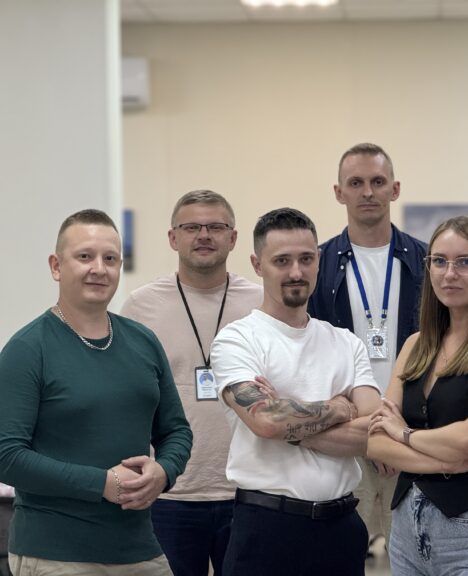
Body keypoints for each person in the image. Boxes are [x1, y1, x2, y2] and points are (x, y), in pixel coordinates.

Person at [0, 209, 192, 576]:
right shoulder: (28, 349)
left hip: (140, 550)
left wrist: (164, 472)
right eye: (85, 256)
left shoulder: (143, 341)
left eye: (110, 259)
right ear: (56, 266)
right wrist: (100, 483)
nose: (99, 269)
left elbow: (176, 431)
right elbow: (6, 455)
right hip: (56, 554)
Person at [210, 207, 381, 576]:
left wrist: (288, 419)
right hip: (267, 529)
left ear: (318, 260)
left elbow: (376, 432)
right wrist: (340, 408)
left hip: (342, 529)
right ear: (257, 265)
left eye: (306, 259)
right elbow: (267, 421)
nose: (296, 272)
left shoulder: (346, 343)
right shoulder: (237, 340)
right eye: (281, 261)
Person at [367, 215, 468, 575]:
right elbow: (376, 443)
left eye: (465, 262)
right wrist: (442, 463)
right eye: (439, 261)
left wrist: (403, 433)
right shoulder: (415, 345)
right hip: (406, 527)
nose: (449, 273)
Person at [121, 190, 263, 576]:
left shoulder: (262, 303)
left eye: (215, 227)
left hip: (248, 491)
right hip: (170, 492)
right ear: (173, 238)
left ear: (233, 238)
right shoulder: (141, 306)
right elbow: (127, 397)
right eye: (191, 227)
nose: (203, 235)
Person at [309, 143, 427, 552]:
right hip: (344, 442)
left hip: (413, 436)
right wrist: (368, 431)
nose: (367, 192)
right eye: (355, 182)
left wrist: (395, 431)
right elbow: (311, 354)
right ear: (338, 192)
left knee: (414, 562)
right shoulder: (317, 265)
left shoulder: (428, 262)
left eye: (377, 182)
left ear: (395, 189)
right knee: (340, 559)